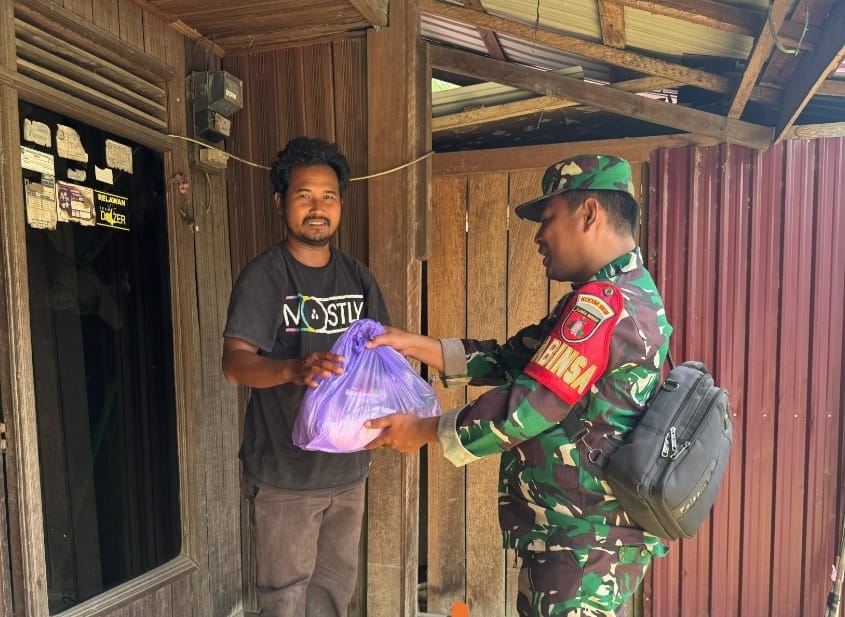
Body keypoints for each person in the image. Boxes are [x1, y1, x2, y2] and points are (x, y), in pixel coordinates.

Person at [365, 154, 672, 617]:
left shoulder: (604, 302)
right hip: (585, 537)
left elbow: (527, 408)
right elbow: (517, 359)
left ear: (589, 213)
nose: (538, 236)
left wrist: (424, 430)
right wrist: (418, 345)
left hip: (581, 543)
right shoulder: (628, 291)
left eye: (548, 219)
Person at [222, 137, 390, 617]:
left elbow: (379, 352)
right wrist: (294, 369)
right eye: (304, 195)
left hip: (348, 471)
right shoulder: (265, 277)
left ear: (340, 205)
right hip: (284, 476)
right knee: (284, 601)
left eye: (328, 196)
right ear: (280, 203)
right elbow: (235, 363)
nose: (318, 208)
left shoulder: (357, 277)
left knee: (332, 596)